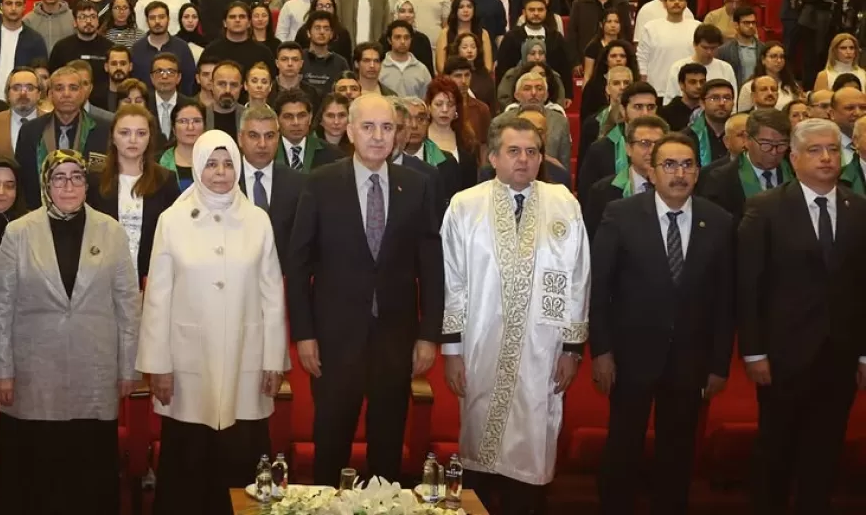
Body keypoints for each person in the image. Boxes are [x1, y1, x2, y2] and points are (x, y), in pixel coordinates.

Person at [288, 94, 443, 485]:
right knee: (331, 448)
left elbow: (432, 266)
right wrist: (304, 334)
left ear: (398, 134)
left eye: (387, 127)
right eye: (369, 127)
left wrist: (428, 335)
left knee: (387, 451)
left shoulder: (418, 185)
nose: (378, 137)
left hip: (395, 340)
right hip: (335, 341)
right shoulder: (321, 184)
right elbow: (298, 263)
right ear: (350, 131)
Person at [440, 116, 590, 513]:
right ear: (493, 157)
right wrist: (452, 351)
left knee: (533, 450)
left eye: (532, 152)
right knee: (480, 450)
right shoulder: (465, 206)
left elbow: (579, 276)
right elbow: (453, 282)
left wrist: (572, 348)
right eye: (514, 151)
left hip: (544, 348)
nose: (524, 160)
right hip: (480, 345)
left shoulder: (564, 203)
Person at [138, 130, 286, 515]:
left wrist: (274, 359)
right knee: (187, 465)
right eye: (211, 164)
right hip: (187, 364)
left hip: (246, 360)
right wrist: (157, 366)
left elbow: (272, 294)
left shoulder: (258, 220)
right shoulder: (172, 221)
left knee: (242, 467)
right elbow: (157, 298)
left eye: (227, 163)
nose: (220, 172)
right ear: (198, 167)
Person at [0, 148, 142, 515]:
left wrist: (128, 369)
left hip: (94, 372)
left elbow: (128, 305)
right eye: (60, 177)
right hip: (34, 375)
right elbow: (2, 307)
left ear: (87, 184)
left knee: (88, 478)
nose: (69, 185)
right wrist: (2, 370)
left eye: (77, 177)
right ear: (46, 184)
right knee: (35, 479)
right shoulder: (18, 232)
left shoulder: (112, 231)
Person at [591, 132, 735, 515]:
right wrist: (601, 351)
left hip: (690, 360)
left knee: (678, 451)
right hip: (630, 356)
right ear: (651, 172)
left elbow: (725, 300)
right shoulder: (620, 215)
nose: (679, 173)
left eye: (687, 164)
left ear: (698, 172)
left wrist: (719, 364)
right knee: (624, 447)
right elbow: (599, 288)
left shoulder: (718, 221)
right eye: (669, 164)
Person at [736, 118, 866, 515]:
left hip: (840, 357)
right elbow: (749, 285)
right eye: (815, 150)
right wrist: (754, 352)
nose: (826, 157)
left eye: (832, 150)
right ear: (793, 158)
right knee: (776, 451)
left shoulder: (859, 208)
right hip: (782, 356)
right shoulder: (765, 209)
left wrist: (864, 354)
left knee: (824, 453)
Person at [86, 105, 181, 281]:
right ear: (113, 137)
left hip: (151, 278)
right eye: (124, 133)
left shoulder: (165, 180)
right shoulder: (94, 180)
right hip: (103, 279)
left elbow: (174, 235)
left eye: (141, 133)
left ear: (150, 138)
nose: (133, 139)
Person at [15, 65, 111, 208]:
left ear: (83, 93)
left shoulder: (103, 130)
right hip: (38, 215)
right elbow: (21, 178)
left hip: (91, 216)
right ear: (50, 94)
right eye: (59, 88)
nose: (66, 94)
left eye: (73, 88)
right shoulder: (30, 131)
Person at [236, 104, 305, 271]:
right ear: (240, 138)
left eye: (269, 136)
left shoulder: (299, 184)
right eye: (254, 136)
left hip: (282, 279)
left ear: (278, 138)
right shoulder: (227, 182)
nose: (262, 144)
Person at [695, 108, 792, 226]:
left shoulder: (796, 172)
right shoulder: (721, 179)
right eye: (765, 144)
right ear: (747, 139)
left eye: (781, 144)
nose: (774, 152)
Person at [583, 115, 668, 238]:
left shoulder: (677, 187)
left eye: (659, 144)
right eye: (645, 143)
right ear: (628, 149)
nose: (652, 151)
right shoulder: (603, 191)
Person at [637, 0, 699, 101]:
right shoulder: (651, 27)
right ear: (664, 4)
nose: (676, 2)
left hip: (688, 92)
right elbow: (642, 57)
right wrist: (644, 81)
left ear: (686, 4)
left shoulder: (697, 27)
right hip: (657, 89)